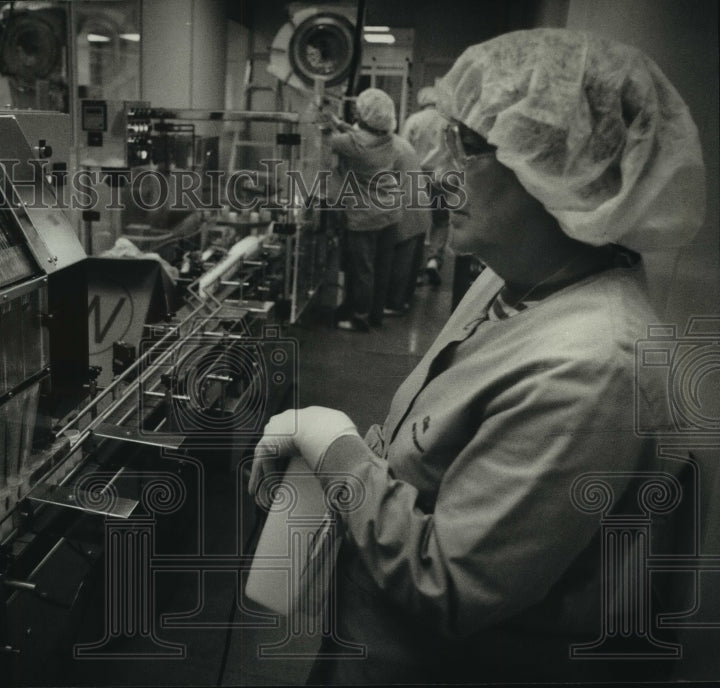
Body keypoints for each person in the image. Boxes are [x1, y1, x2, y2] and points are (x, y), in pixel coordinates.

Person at [250, 28, 705, 684]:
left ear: (553, 168)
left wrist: (334, 446)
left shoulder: (592, 367)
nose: (438, 168)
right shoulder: (508, 277)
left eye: (467, 146)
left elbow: (449, 581)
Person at [321, 88, 420, 331]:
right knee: (381, 269)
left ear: (365, 114)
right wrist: (340, 123)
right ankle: (375, 316)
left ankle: (359, 318)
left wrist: (323, 120)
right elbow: (360, 135)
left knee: (362, 270)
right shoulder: (388, 137)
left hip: (365, 218)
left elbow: (328, 141)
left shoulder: (353, 145)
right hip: (390, 214)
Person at [400, 85, 451, 288]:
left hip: (416, 176)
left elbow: (402, 149)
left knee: (416, 224)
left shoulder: (413, 120)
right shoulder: (447, 123)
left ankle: (415, 269)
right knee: (440, 220)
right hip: (439, 176)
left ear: (422, 100)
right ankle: (433, 259)